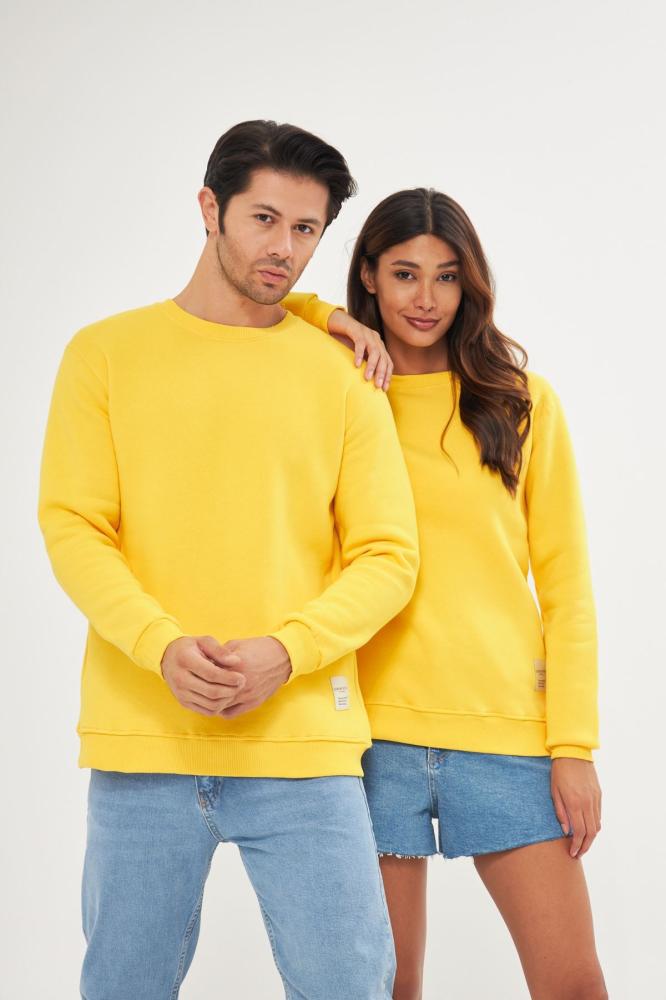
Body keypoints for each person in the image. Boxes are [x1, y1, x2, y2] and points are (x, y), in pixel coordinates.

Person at [37, 121, 420, 1000]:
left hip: (305, 748)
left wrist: (286, 651)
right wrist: (160, 645)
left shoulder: (345, 375)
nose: (283, 248)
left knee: (350, 984)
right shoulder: (104, 354)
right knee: (123, 986)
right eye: (263, 219)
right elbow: (74, 526)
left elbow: (388, 556)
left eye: (306, 228)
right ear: (210, 208)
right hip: (143, 746)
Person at [283, 188, 607, 999]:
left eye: (447, 276)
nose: (426, 298)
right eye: (404, 274)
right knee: (387, 989)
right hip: (365, 739)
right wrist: (331, 319)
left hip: (506, 733)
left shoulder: (520, 401)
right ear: (368, 276)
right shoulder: (339, 391)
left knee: (573, 986)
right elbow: (256, 298)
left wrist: (573, 747)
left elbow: (567, 587)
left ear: (471, 284)